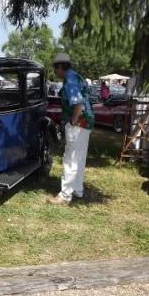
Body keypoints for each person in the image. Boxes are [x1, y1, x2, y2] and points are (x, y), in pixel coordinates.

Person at [47, 53, 94, 205]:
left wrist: (73, 121)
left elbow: (78, 103)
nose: (55, 72)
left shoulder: (70, 80)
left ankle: (65, 195)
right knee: (79, 158)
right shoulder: (78, 76)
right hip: (87, 123)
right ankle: (78, 190)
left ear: (60, 66)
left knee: (70, 159)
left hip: (78, 124)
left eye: (55, 68)